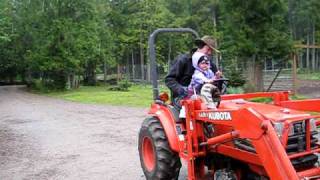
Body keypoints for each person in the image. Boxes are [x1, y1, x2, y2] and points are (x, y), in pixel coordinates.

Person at [165, 35, 221, 103]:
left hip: (205, 97)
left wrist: (217, 78)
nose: (210, 53)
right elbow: (169, 79)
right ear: (200, 46)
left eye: (211, 51)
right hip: (182, 98)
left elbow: (217, 82)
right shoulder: (183, 60)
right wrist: (182, 90)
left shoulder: (210, 64)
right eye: (208, 49)